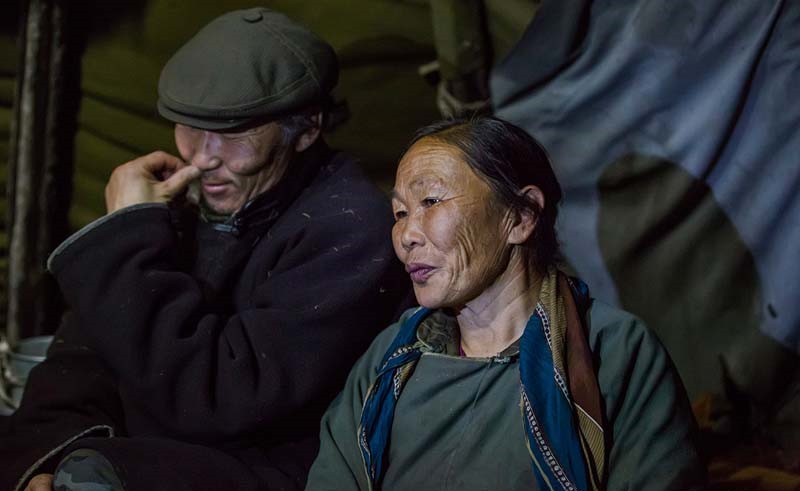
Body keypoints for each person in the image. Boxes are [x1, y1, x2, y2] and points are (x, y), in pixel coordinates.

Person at [0, 8, 409, 491]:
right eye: (189, 126)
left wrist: (125, 238)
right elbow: (80, 364)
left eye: (235, 133)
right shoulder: (184, 204)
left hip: (273, 470)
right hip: (147, 450)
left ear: (308, 127)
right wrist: (44, 460)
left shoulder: (350, 227)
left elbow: (215, 397)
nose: (203, 157)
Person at [305, 117, 707, 491]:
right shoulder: (389, 359)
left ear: (520, 216)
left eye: (430, 202)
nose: (406, 234)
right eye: (399, 212)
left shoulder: (614, 351)